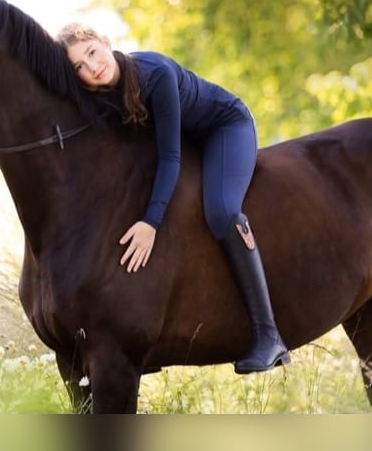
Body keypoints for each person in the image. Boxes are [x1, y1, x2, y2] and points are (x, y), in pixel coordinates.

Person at [56, 22, 290, 374]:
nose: (92, 67)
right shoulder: (98, 93)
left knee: (222, 212)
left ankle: (269, 336)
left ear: (105, 41)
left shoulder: (155, 74)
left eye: (92, 52)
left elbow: (170, 158)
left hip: (223, 128)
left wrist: (151, 222)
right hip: (184, 138)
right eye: (79, 67)